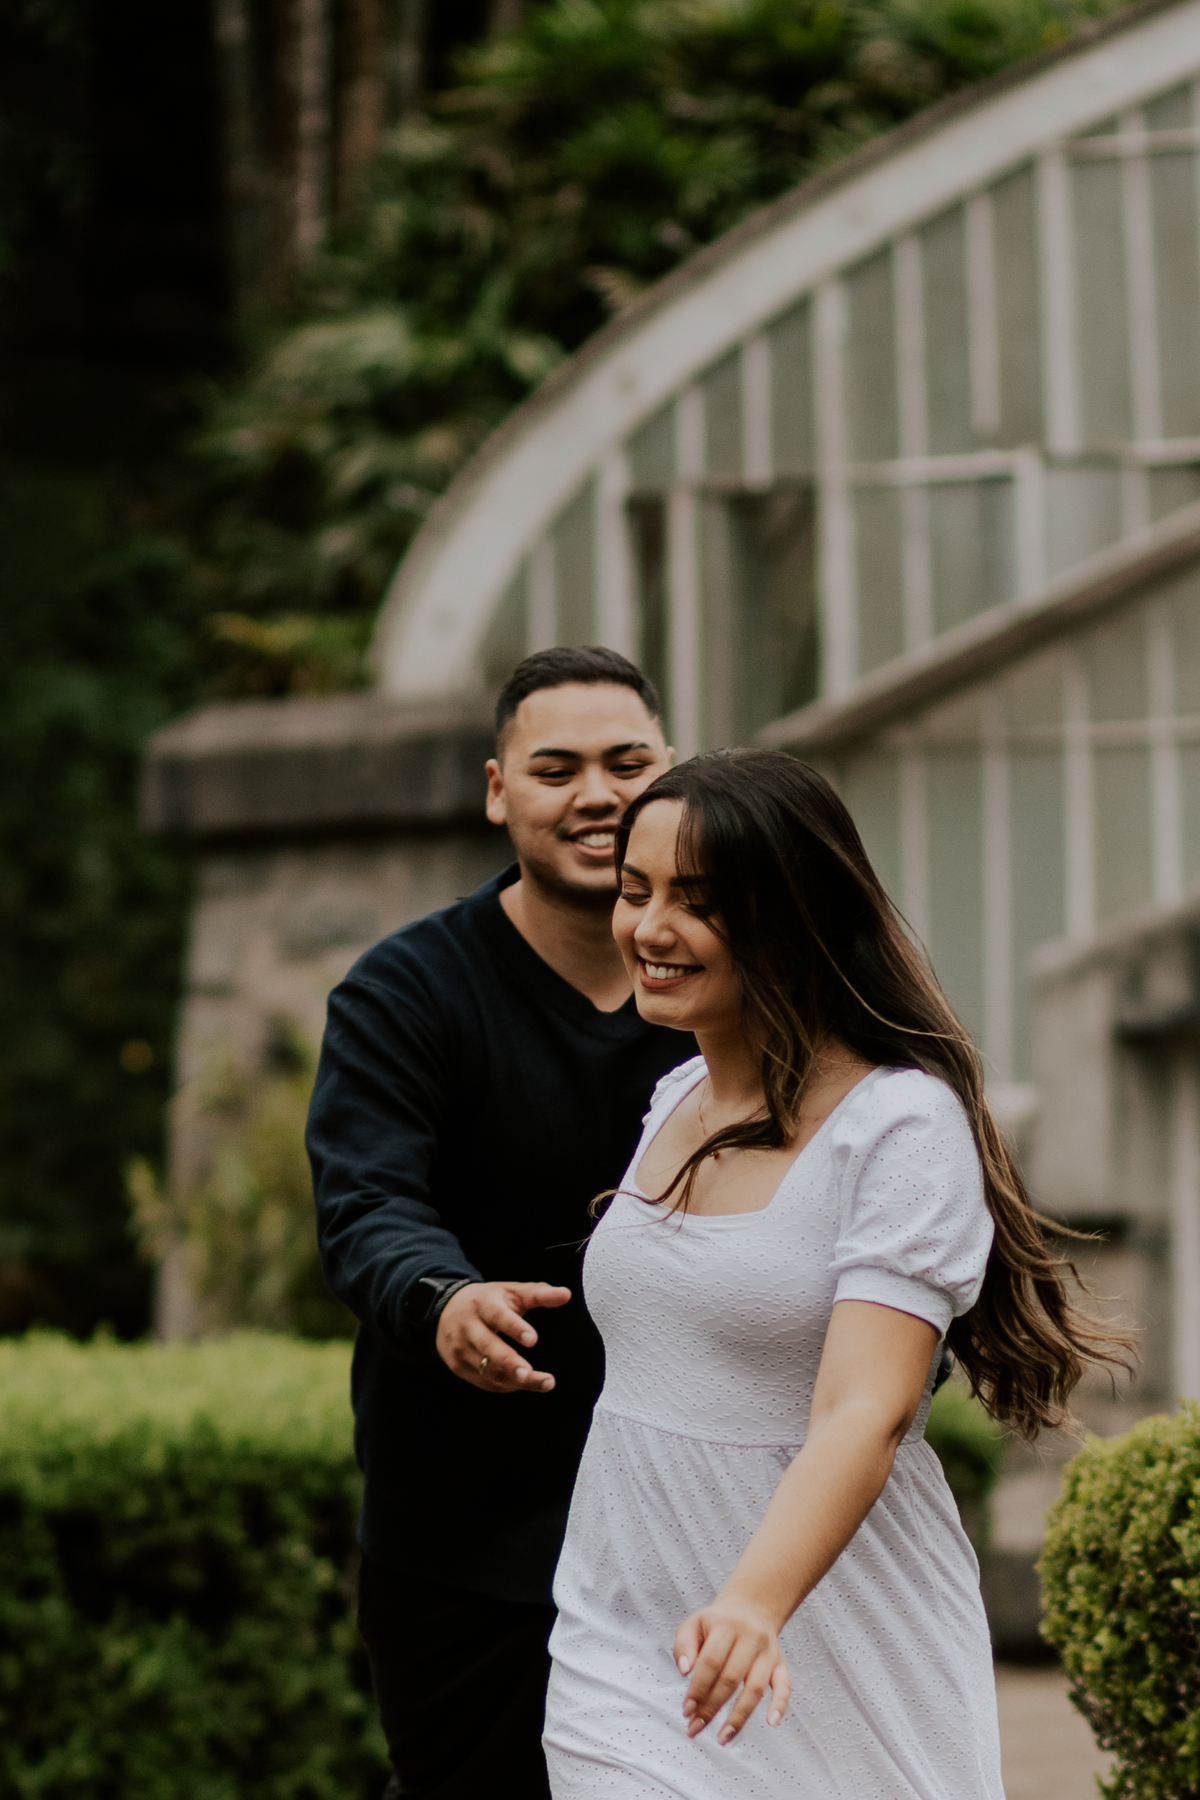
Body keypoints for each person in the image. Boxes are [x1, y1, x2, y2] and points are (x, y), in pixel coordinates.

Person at [544, 749, 1132, 1799]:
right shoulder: (672, 1101)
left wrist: (754, 1602)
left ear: (792, 918)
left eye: (698, 902)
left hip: (840, 1646)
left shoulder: (900, 1126)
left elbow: (867, 1408)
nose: (650, 928)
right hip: (623, 1640)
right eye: (636, 891)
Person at [306, 646, 696, 1800]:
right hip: (467, 1542)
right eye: (556, 769)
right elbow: (369, 1203)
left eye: (628, 763)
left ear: (674, 775)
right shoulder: (405, 992)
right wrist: (446, 1299)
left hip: (700, 1530)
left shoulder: (741, 983)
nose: (597, 795)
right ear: (497, 791)